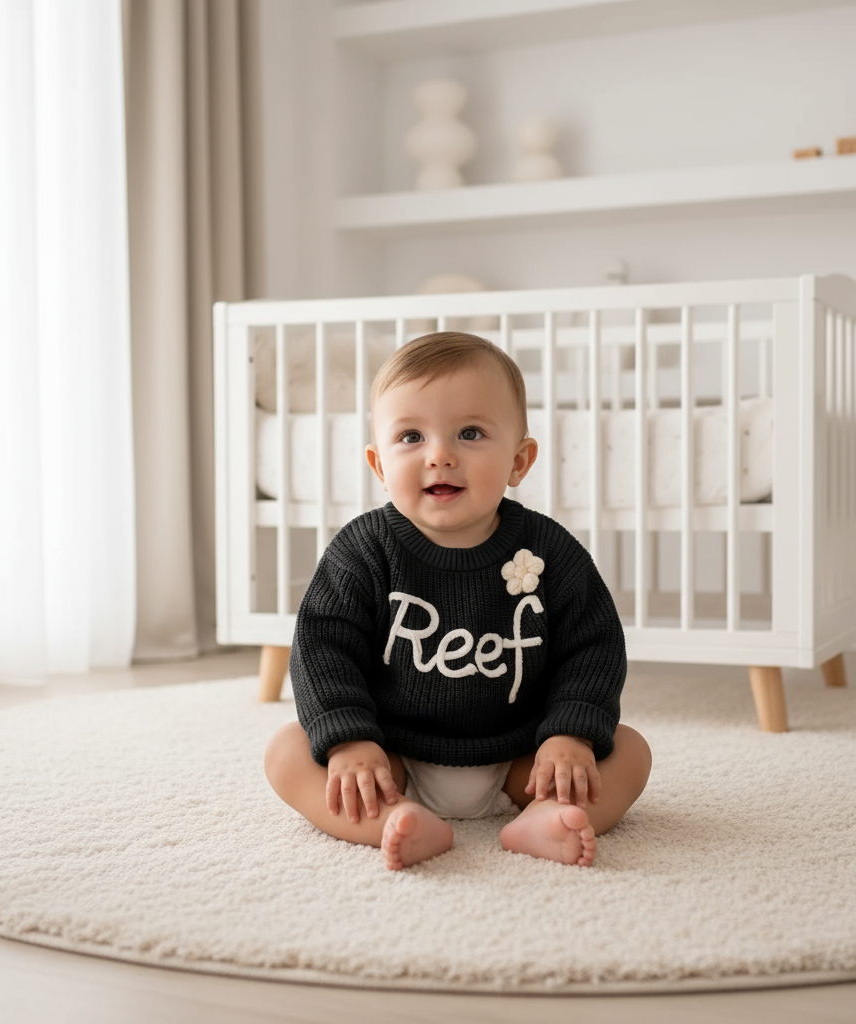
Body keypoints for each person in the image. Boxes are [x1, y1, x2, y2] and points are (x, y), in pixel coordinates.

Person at [264, 332, 651, 870]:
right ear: (379, 465)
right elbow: (323, 648)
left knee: (629, 752)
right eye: (411, 437)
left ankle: (540, 819)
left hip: (522, 757)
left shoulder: (549, 550)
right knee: (285, 753)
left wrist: (569, 733)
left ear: (519, 461)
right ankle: (393, 823)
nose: (439, 455)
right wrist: (349, 741)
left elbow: (593, 646)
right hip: (391, 758)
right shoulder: (362, 551)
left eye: (469, 433)